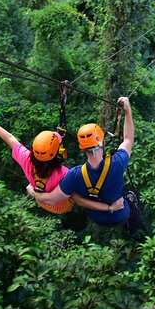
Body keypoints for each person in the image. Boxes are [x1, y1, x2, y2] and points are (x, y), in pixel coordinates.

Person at [0, 109, 123, 214]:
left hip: (42, 201)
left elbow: (9, 138)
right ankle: (33, 191)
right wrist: (109, 207)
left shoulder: (27, 159)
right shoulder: (65, 174)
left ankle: (32, 190)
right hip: (61, 207)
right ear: (58, 154)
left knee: (32, 187)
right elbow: (80, 201)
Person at [28, 97, 143, 235]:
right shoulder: (117, 163)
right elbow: (128, 139)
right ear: (103, 143)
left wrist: (34, 192)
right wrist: (128, 110)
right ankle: (133, 228)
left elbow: (51, 199)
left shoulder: (74, 175)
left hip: (96, 218)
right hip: (120, 215)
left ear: (82, 149)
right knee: (130, 198)